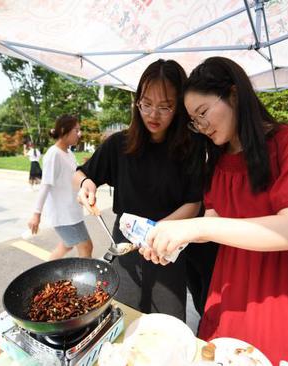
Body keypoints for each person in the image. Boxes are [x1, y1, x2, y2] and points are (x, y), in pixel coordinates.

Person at [140, 57, 288, 365]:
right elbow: (214, 217)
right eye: (194, 120)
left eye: (203, 113)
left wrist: (195, 228)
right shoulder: (219, 161)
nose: (201, 126)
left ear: (234, 95)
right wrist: (174, 239)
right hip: (236, 281)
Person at [74, 59, 207, 321]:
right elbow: (82, 173)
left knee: (168, 324)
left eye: (165, 106)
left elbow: (193, 203)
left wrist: (157, 234)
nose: (152, 114)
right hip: (125, 247)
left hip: (167, 247)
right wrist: (84, 185)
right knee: (122, 319)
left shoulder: (191, 147)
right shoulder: (119, 144)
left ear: (179, 106)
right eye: (146, 104)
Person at [27, 115, 93, 260]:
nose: (79, 134)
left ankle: (46, 274)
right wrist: (36, 214)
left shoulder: (69, 153)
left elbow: (73, 177)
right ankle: (88, 280)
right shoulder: (53, 154)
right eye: (77, 130)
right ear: (64, 130)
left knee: (67, 245)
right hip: (64, 215)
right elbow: (45, 185)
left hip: (72, 212)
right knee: (86, 246)